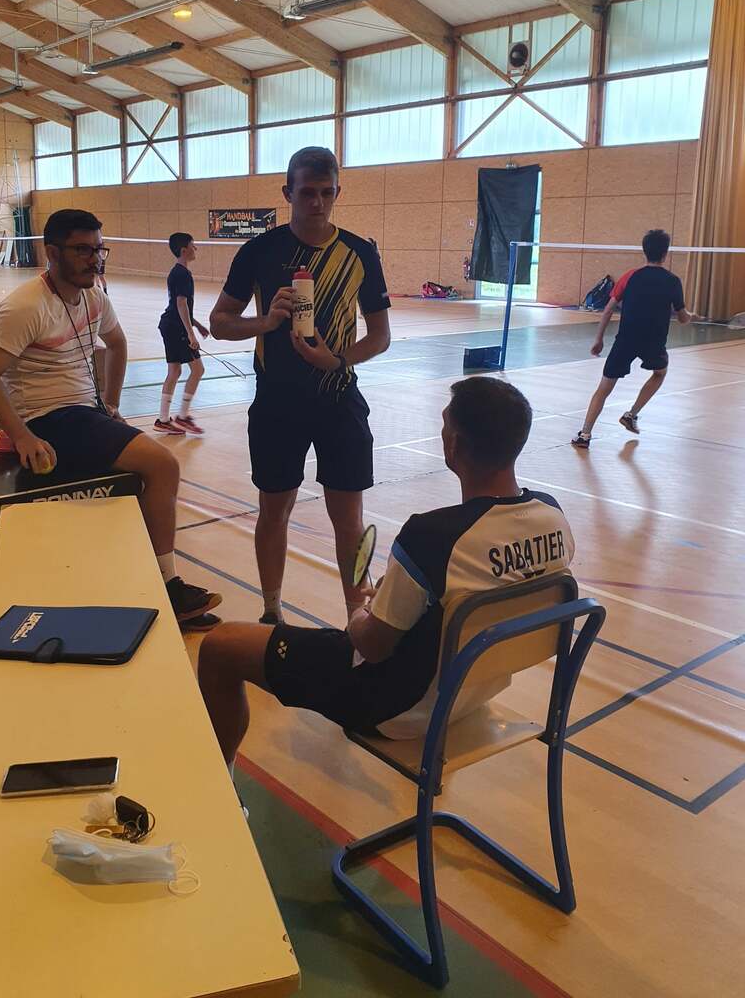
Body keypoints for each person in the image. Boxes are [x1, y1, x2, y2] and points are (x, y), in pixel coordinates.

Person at [198, 377, 575, 769]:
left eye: (444, 425)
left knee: (222, 646)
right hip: (474, 691)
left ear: (454, 444)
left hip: (396, 708)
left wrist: (363, 612)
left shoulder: (432, 537)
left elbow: (371, 645)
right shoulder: (554, 516)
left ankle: (219, 788)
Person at [0, 208, 221, 628]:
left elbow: (117, 344)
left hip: (85, 413)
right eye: (83, 250)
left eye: (99, 249)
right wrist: (22, 436)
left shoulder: (94, 298)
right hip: (49, 418)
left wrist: (111, 404)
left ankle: (140, 581)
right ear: (53, 252)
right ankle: (167, 585)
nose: (95, 259)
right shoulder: (24, 306)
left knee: (143, 476)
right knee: (163, 465)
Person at [210, 146, 391, 624]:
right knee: (274, 512)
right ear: (287, 192)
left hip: (340, 401)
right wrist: (265, 322)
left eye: (327, 193)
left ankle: (358, 619)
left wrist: (338, 360)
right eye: (307, 192)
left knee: (350, 521)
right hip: (277, 404)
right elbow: (220, 322)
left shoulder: (360, 253)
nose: (317, 203)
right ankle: (272, 612)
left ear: (338, 192)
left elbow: (380, 336)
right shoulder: (258, 251)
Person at [572, 229, 691, 448]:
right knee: (659, 373)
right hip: (654, 342)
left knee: (604, 387)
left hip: (626, 340)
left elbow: (608, 309)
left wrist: (599, 339)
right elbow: (682, 318)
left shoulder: (630, 276)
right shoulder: (673, 281)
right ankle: (632, 414)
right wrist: (689, 316)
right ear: (665, 254)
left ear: (644, 252)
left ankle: (584, 435)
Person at [155, 232, 208, 436]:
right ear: (184, 250)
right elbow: (180, 304)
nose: (196, 249)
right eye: (193, 246)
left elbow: (180, 307)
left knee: (175, 371)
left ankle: (163, 420)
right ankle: (182, 417)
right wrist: (191, 334)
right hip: (176, 329)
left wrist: (198, 325)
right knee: (197, 369)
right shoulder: (183, 274)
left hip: (170, 325)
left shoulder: (177, 272)